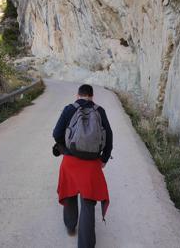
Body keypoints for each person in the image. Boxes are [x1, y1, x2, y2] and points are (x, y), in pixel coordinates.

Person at [52, 84, 113, 248]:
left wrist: (65, 149)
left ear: (77, 95)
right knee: (88, 202)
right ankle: (86, 245)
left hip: (70, 162)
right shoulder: (100, 111)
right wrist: (104, 159)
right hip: (92, 165)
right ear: (92, 96)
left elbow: (56, 133)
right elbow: (109, 138)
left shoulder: (69, 109)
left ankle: (71, 227)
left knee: (69, 193)